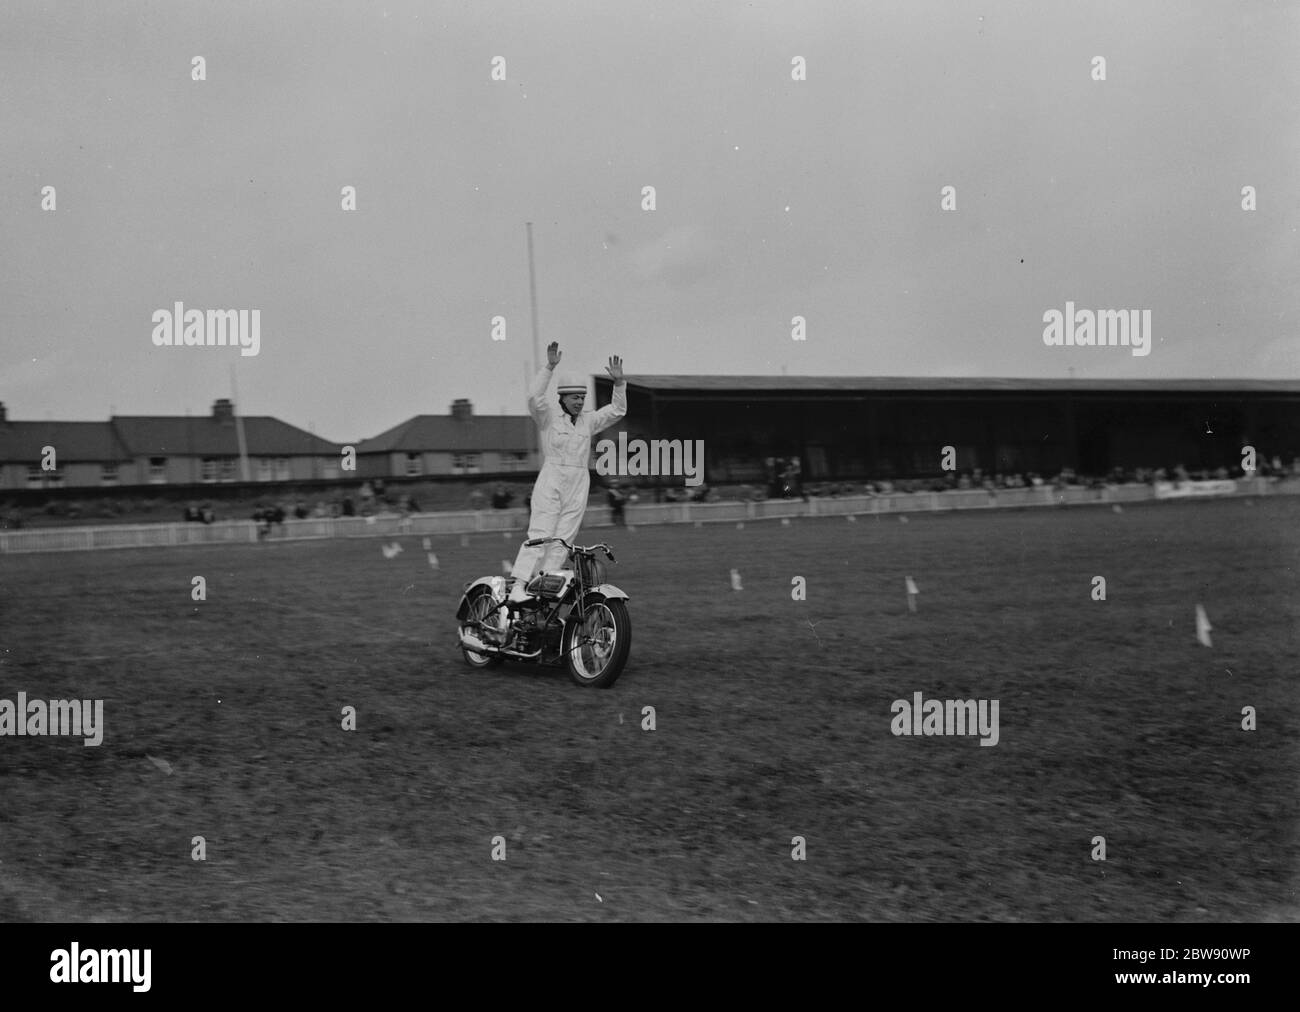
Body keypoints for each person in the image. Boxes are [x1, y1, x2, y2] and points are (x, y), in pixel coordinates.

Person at [506, 342, 626, 605]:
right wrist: (549, 367)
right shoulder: (548, 419)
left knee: (563, 539)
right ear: (562, 398)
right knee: (541, 533)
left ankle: (543, 587)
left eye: (582, 397)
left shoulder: (589, 420)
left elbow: (617, 411)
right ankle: (519, 585)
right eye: (574, 398)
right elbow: (533, 399)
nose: (579, 402)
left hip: (578, 482)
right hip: (551, 480)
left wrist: (618, 384)